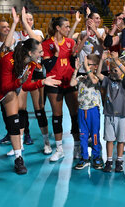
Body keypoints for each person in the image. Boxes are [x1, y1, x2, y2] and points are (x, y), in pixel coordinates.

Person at [0, 38, 61, 177]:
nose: (42, 54)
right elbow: (6, 86)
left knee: (14, 123)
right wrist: (20, 81)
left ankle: (18, 158)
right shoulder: (8, 60)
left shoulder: (32, 64)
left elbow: (26, 86)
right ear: (30, 52)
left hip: (9, 89)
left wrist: (43, 81)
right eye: (40, 51)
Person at [3, 7, 50, 154]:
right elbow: (7, 44)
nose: (28, 21)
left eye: (30, 19)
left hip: (35, 73)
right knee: (21, 109)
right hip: (21, 74)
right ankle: (20, 143)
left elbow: (36, 42)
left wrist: (25, 22)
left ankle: (46, 142)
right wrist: (15, 24)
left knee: (39, 109)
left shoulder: (37, 33)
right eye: (26, 18)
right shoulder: (17, 34)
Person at [42, 16, 82, 162]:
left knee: (75, 115)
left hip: (69, 83)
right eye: (65, 26)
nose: (68, 29)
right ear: (58, 28)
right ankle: (59, 149)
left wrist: (75, 57)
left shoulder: (71, 42)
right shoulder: (46, 44)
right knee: (57, 116)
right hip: (54, 84)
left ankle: (77, 147)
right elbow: (48, 67)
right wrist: (57, 54)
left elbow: (73, 62)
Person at [96, 51, 125, 172]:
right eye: (112, 70)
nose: (113, 72)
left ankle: (119, 161)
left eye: (116, 70)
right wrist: (101, 60)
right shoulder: (107, 81)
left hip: (121, 115)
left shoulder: (124, 82)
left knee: (121, 140)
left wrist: (116, 61)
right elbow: (98, 73)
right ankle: (109, 161)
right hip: (109, 114)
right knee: (109, 139)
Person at [70, 54, 103, 169]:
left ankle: (96, 156)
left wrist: (86, 67)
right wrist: (76, 69)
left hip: (93, 111)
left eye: (88, 64)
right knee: (83, 135)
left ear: (95, 67)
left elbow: (94, 81)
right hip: (81, 110)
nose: (86, 66)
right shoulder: (81, 78)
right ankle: (84, 157)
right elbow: (72, 83)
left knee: (94, 134)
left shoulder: (97, 77)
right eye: (85, 64)